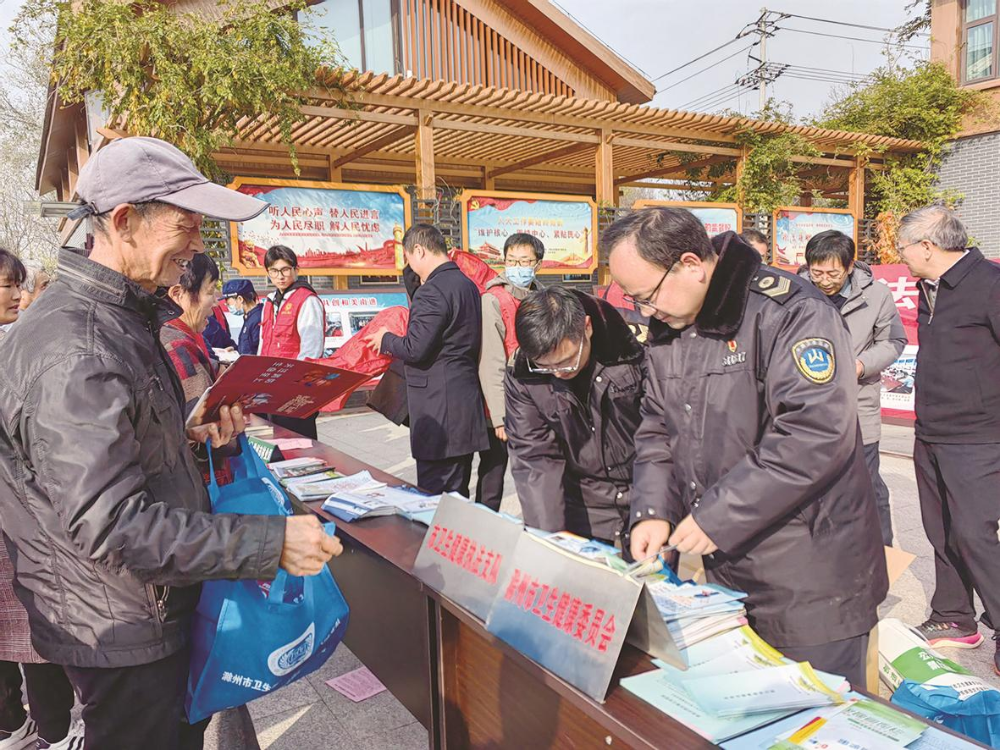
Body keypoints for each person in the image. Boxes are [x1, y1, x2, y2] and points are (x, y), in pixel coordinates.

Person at [0, 136, 342, 749]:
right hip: (121, 621)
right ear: (124, 221)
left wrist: (181, 432)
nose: (197, 248)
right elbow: (114, 526)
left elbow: (106, 453)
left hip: (137, 606)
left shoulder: (116, 318)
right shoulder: (74, 346)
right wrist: (270, 542)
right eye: (186, 227)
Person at [607, 207, 887, 686]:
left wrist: (718, 515)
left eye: (647, 296)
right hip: (730, 570)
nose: (646, 312)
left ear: (691, 264)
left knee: (815, 722)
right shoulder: (670, 326)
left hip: (812, 574)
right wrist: (652, 508)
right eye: (636, 303)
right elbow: (656, 423)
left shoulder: (791, 312)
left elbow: (813, 433)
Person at [896, 206, 1000, 670]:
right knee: (941, 533)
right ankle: (955, 617)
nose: (900, 258)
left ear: (926, 245)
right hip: (931, 430)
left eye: (903, 248)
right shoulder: (929, 287)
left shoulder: (990, 284)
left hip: (979, 435)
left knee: (976, 534)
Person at [0, 249, 81, 750]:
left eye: (17, 283)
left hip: (24, 514)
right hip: (16, 511)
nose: (15, 294)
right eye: (4, 284)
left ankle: (48, 727)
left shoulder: (19, 344)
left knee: (34, 629)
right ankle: (23, 723)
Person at [505, 287, 644, 546]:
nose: (558, 372)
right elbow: (535, 457)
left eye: (568, 360)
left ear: (587, 327)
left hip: (645, 492)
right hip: (582, 501)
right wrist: (547, 536)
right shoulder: (523, 373)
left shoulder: (634, 350)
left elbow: (663, 432)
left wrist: (657, 509)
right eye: (546, 366)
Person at [364, 224, 490, 496]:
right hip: (462, 406)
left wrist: (385, 339)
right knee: (456, 496)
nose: (409, 265)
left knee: (434, 498)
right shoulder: (466, 285)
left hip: (439, 413)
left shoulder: (432, 291)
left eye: (408, 258)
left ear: (419, 250)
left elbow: (415, 348)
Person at [800, 230, 906, 547]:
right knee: (812, 484)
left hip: (858, 405)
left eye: (832, 273)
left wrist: (861, 364)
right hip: (807, 407)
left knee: (868, 484)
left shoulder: (876, 296)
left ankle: (881, 554)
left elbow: (893, 341)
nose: (824, 280)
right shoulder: (796, 291)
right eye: (816, 272)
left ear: (849, 266)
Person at [476, 233, 546, 511]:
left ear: (537, 264)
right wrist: (499, 417)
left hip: (539, 400)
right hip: (505, 401)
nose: (517, 266)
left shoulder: (543, 297)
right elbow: (490, 361)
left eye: (524, 261)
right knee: (493, 473)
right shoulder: (493, 299)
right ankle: (483, 531)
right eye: (511, 260)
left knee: (538, 474)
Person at [259, 245, 325, 439]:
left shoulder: (307, 300)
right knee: (276, 444)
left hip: (294, 390)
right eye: (274, 271)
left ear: (296, 270)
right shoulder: (269, 301)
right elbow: (264, 344)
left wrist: (297, 389)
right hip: (271, 387)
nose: (280, 276)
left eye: (285, 269)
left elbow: (311, 350)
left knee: (299, 444)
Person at [222, 279, 263, 356]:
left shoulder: (257, 319)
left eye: (228, 302)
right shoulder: (249, 317)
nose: (227, 305)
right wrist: (235, 349)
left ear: (240, 299)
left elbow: (258, 351)